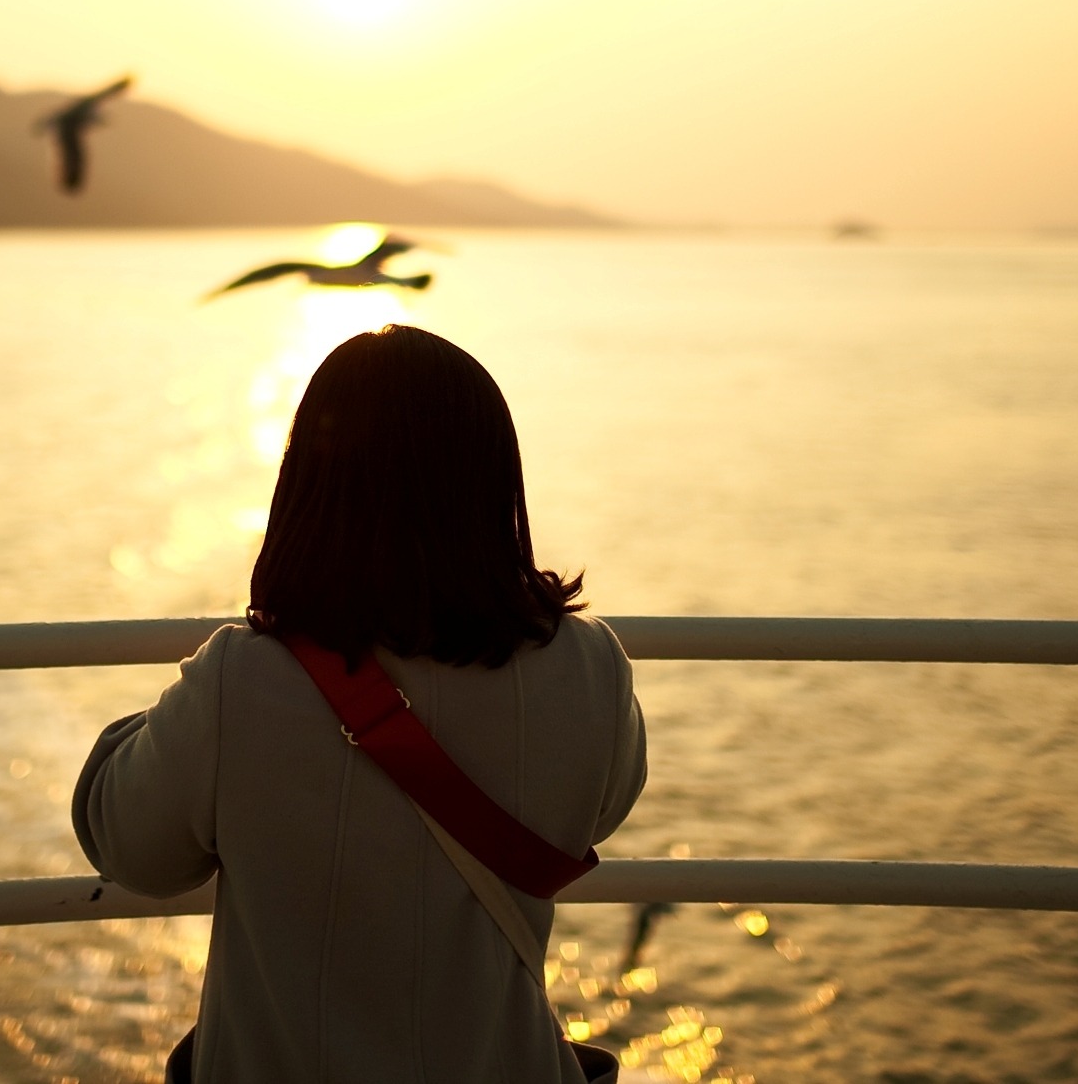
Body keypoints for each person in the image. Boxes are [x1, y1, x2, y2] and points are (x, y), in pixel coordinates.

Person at [74, 324, 648, 1082]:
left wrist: (146, 731)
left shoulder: (240, 683)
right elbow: (595, 814)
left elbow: (133, 851)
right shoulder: (591, 669)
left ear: (308, 485)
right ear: (494, 485)